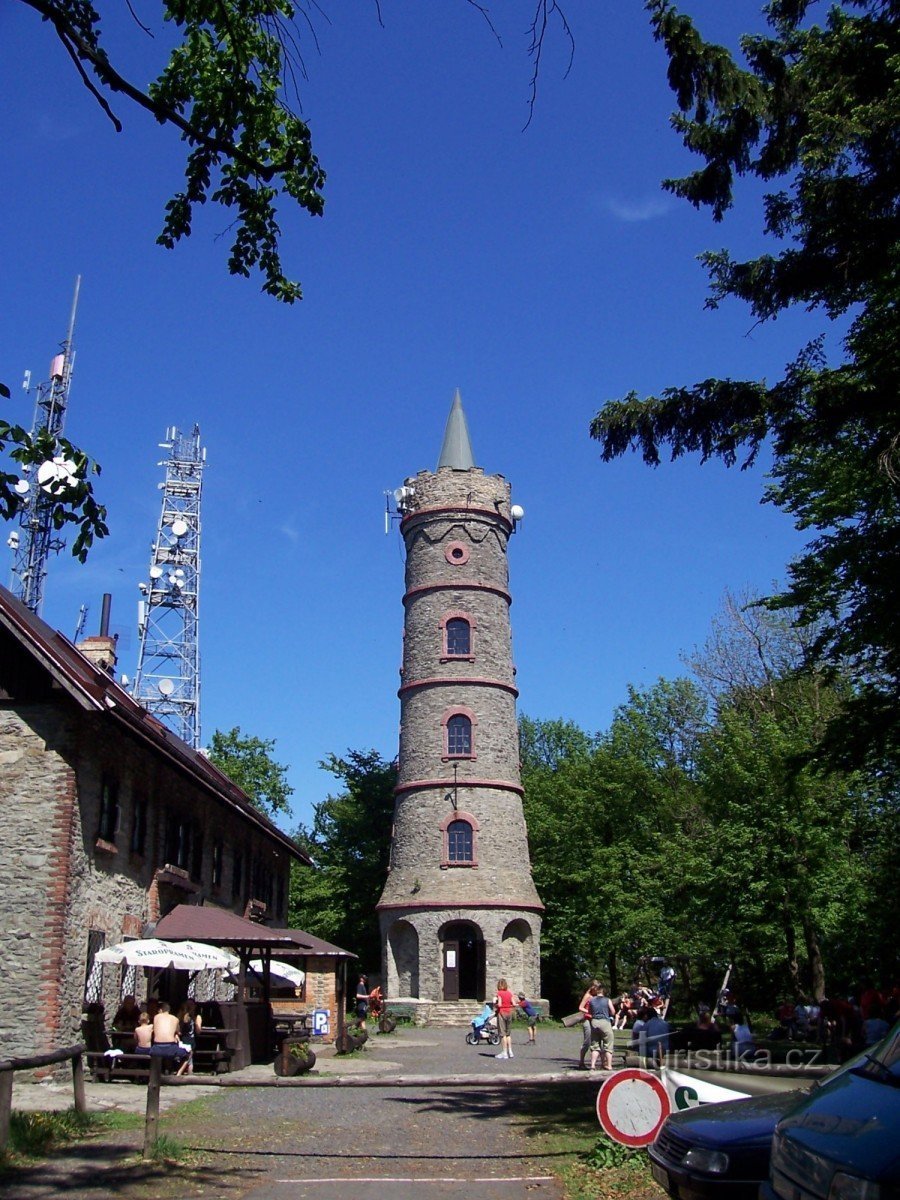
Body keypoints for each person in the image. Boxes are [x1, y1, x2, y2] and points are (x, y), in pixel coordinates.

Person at [581, 984, 617, 1072]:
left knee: (595, 1045)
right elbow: (613, 1011)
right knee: (608, 1045)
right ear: (604, 992)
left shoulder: (591, 1000)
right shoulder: (607, 1000)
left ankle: (592, 1066)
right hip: (605, 1022)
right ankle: (608, 1065)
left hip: (594, 1022)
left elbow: (589, 1011)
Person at [150, 1001, 189, 1065]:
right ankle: (177, 1072)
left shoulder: (156, 1017)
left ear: (160, 1010)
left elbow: (154, 1029)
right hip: (170, 1047)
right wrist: (175, 1034)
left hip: (157, 1047)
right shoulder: (175, 1019)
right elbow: (178, 1032)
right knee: (187, 1053)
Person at [577, 979, 601, 1069]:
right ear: (593, 987)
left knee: (596, 1042)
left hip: (595, 1020)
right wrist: (589, 1011)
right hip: (587, 1020)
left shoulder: (597, 996)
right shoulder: (588, 996)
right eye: (596, 988)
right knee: (587, 1042)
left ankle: (593, 1064)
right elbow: (580, 1007)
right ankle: (581, 1062)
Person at [176, 999, 202, 1076]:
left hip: (186, 1039)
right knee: (186, 1057)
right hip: (186, 1039)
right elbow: (198, 1031)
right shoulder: (184, 1015)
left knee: (187, 1057)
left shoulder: (195, 1017)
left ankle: (184, 1071)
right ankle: (185, 1071)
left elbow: (198, 1031)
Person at [493, 978, 516, 1060]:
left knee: (502, 1034)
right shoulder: (509, 993)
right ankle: (510, 1051)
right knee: (508, 1033)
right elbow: (514, 1003)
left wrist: (495, 1004)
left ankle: (504, 1052)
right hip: (509, 1012)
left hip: (502, 1013)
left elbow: (499, 1004)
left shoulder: (499, 993)